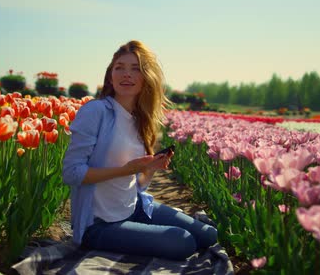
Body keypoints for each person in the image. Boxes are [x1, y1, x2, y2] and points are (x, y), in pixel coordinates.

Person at [62, 40, 218, 260]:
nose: (127, 74)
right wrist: (124, 170)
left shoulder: (140, 120)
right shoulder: (96, 111)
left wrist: (150, 169)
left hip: (135, 208)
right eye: (120, 68)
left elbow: (136, 184)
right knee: (183, 242)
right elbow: (71, 173)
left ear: (147, 77)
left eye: (135, 69)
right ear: (110, 75)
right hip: (99, 225)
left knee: (208, 235)